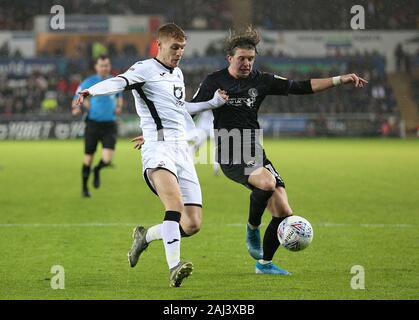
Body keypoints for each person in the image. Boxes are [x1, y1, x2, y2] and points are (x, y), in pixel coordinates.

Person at [190, 27, 367, 275]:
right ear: (230, 58)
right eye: (242, 58)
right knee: (266, 182)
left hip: (254, 150)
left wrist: (340, 80)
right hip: (230, 150)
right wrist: (158, 131)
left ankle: (264, 264)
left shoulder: (261, 80)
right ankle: (252, 228)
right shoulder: (213, 81)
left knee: (284, 211)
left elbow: (301, 86)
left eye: (251, 59)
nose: (247, 63)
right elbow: (190, 109)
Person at [75, 23, 228, 287]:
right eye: (174, 47)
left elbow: (180, 110)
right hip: (157, 150)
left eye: (182, 47)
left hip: (181, 150)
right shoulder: (144, 68)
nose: (179, 52)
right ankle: (174, 267)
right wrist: (93, 90)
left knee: (192, 224)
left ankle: (144, 237)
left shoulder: (177, 74)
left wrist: (212, 103)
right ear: (160, 45)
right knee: (175, 207)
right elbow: (120, 81)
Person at [72, 55, 123, 198]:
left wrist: (119, 107)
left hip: (110, 125)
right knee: (88, 157)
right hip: (93, 124)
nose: (104, 68)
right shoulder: (89, 82)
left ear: (109, 66)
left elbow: (119, 98)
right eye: (101, 65)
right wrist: (76, 108)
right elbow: (77, 97)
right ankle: (84, 188)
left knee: (107, 160)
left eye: (106, 65)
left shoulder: (115, 81)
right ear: (96, 67)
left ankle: (97, 170)